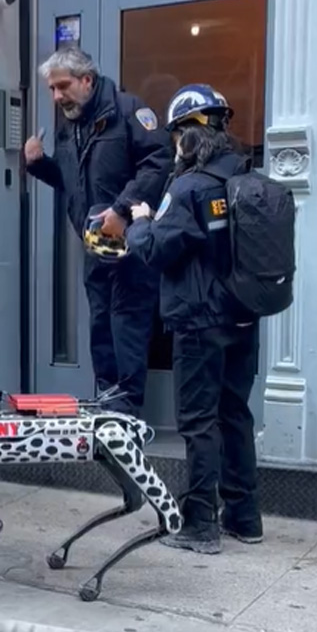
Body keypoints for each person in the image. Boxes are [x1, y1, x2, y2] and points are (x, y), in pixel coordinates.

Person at [124, 83, 263, 554]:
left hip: (199, 322)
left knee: (199, 421)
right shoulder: (243, 180)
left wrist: (141, 220)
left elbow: (157, 250)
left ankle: (201, 523)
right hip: (243, 318)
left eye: (175, 135)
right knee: (235, 415)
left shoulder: (188, 188)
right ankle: (245, 518)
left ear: (187, 136)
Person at [23, 47, 173, 418]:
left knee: (128, 326)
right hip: (95, 247)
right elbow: (70, 183)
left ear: (87, 80)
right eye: (51, 90)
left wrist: (123, 210)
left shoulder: (127, 111)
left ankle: (127, 412)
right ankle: (109, 402)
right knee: (101, 325)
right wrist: (39, 165)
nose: (57, 97)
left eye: (62, 86)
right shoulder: (71, 124)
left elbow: (158, 162)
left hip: (131, 246)